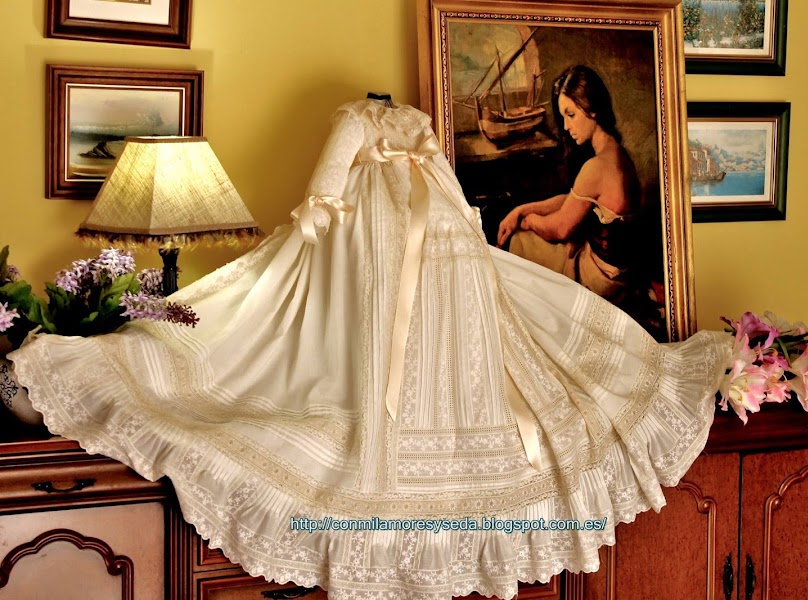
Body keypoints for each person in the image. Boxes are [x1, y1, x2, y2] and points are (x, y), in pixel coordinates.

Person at [9, 98, 732, 599]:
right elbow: (416, 181)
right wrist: (353, 219)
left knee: (372, 321)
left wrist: (315, 219)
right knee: (384, 327)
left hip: (395, 239)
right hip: (421, 235)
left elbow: (334, 182)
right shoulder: (403, 126)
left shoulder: (367, 122)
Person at [497, 65, 661, 331]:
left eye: (571, 114)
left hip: (602, 279)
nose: (566, 126)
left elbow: (559, 229)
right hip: (618, 272)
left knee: (520, 241)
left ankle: (534, 330)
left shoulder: (597, 167)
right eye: (564, 116)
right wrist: (521, 210)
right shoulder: (616, 154)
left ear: (592, 109)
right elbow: (571, 200)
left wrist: (526, 222)